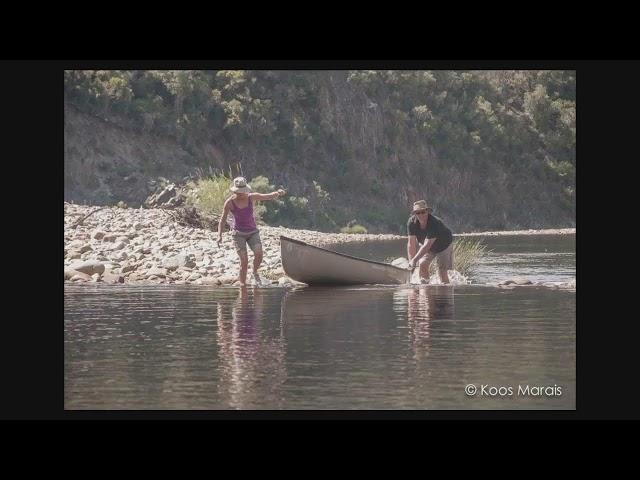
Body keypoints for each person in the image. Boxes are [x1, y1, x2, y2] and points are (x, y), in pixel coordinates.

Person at [217, 176, 286, 286]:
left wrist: (277, 192)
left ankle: (254, 272)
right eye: (239, 192)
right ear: (235, 191)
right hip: (238, 234)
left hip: (253, 232)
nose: (241, 194)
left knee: (259, 253)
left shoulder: (251, 197)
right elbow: (222, 220)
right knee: (244, 261)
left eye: (243, 192)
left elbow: (267, 196)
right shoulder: (229, 203)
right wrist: (219, 235)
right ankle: (242, 285)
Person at [406, 200, 454, 284]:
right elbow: (411, 244)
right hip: (429, 247)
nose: (421, 215)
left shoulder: (434, 223)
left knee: (441, 271)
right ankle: (425, 289)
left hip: (444, 245)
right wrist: (412, 263)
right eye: (418, 213)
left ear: (427, 211)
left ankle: (446, 293)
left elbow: (427, 245)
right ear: (415, 214)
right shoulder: (411, 223)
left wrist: (414, 260)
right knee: (422, 265)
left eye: (423, 212)